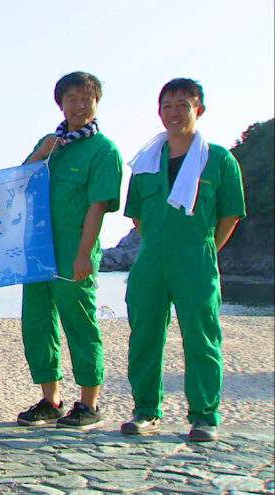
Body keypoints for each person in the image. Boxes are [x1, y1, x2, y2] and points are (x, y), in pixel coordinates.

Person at [120, 78, 245, 442]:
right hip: (151, 257)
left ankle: (205, 415)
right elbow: (137, 215)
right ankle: (146, 410)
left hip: (196, 257)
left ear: (198, 110)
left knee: (202, 337)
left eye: (182, 105)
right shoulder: (145, 162)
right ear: (159, 113)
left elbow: (230, 215)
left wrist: (204, 249)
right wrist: (159, 242)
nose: (174, 113)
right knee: (144, 335)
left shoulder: (219, 159)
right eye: (167, 106)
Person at [17, 72, 122, 431]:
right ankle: (51, 400)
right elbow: (18, 183)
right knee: (38, 324)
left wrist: (84, 254)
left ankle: (89, 404)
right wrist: (41, 152)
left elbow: (97, 206)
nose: (79, 106)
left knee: (80, 325)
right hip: (38, 252)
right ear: (60, 103)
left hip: (73, 252)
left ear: (96, 103)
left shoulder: (104, 150)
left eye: (85, 99)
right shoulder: (52, 143)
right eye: (71, 98)